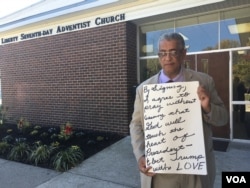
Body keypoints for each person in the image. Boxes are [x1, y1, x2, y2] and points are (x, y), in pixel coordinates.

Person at [129, 33, 228, 188]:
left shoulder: (204, 82)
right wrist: (140, 154)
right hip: (159, 173)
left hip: (194, 171)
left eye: (173, 52)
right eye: (163, 53)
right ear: (158, 56)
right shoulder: (144, 89)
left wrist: (207, 107)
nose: (167, 58)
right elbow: (136, 125)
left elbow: (223, 119)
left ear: (183, 54)